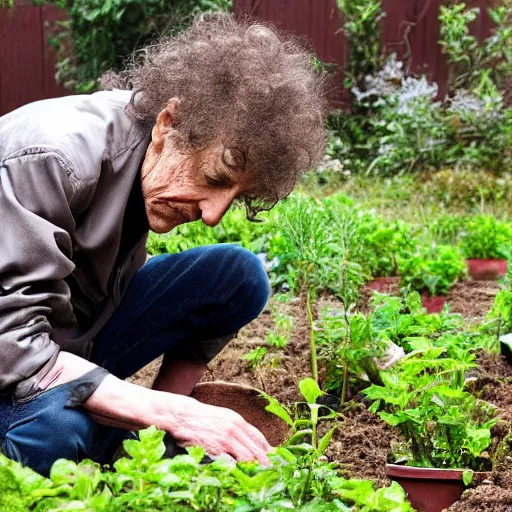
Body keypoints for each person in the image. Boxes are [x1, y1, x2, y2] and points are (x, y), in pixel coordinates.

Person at [0, 13, 326, 476]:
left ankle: (158, 440)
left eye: (235, 198)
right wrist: (178, 414)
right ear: (168, 123)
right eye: (214, 179)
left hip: (70, 340)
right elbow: (12, 347)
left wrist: (172, 416)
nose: (213, 214)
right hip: (12, 362)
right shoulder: (53, 158)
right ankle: (127, 433)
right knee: (55, 434)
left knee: (237, 276)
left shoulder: (152, 152)